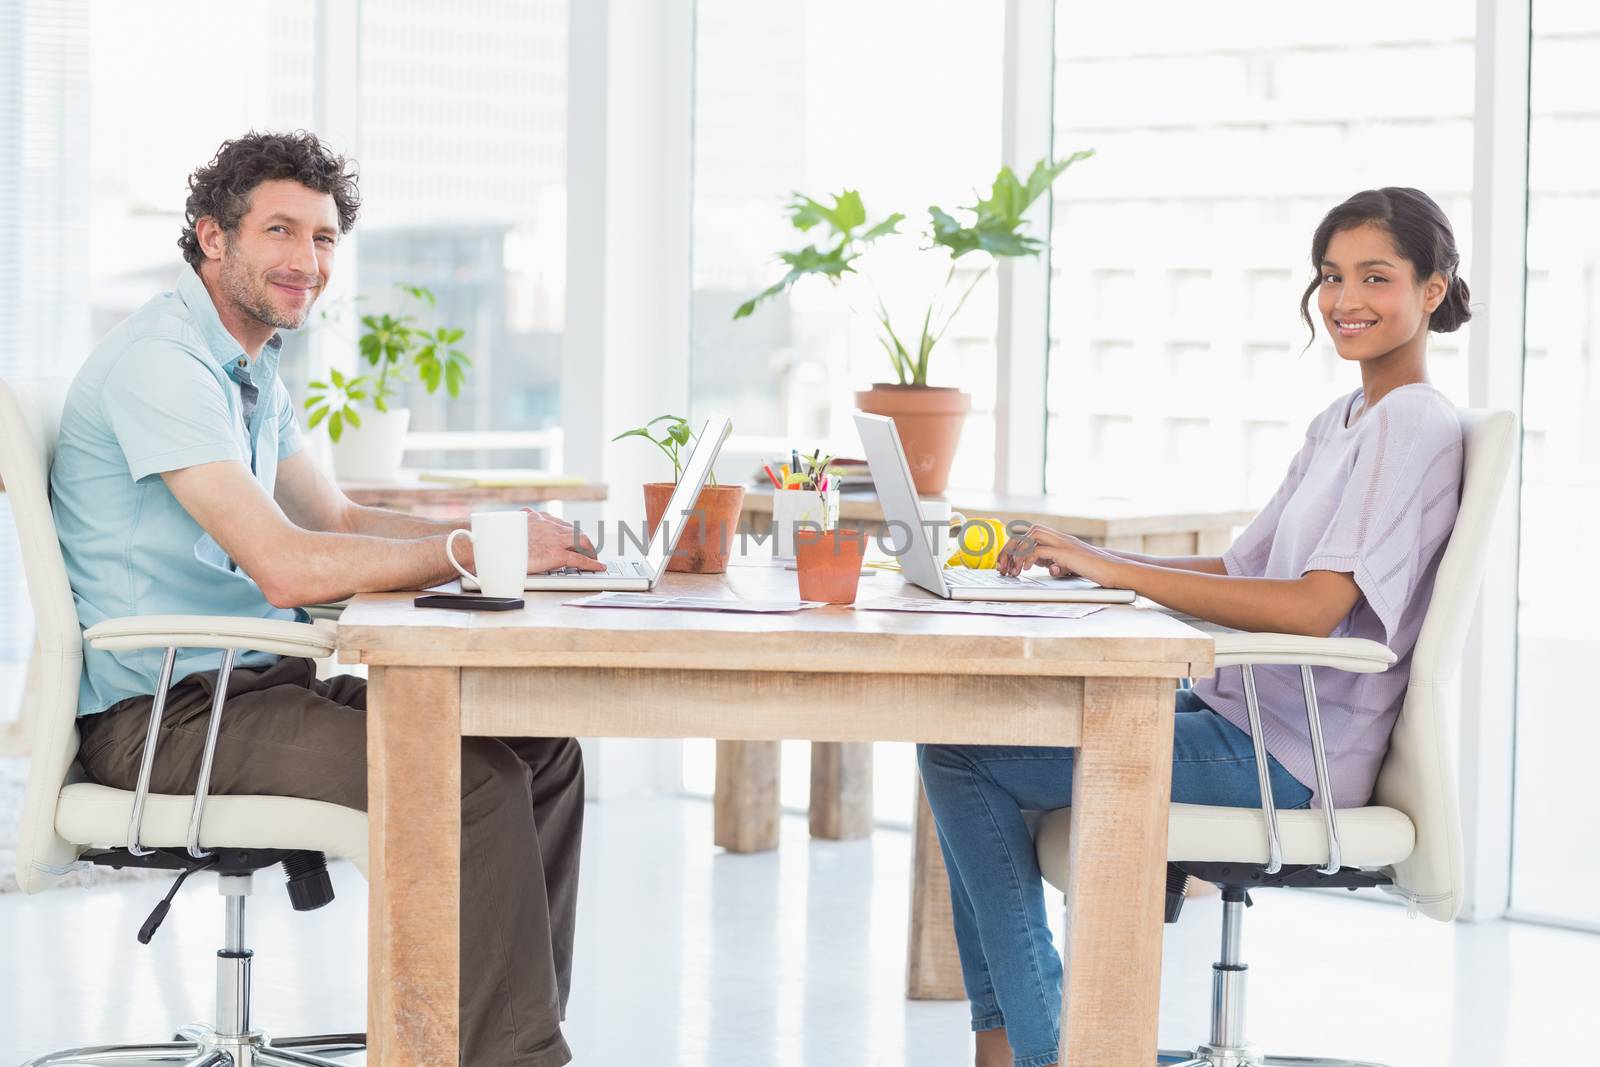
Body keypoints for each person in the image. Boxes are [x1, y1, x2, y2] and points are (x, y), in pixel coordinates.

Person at [51, 130, 603, 1067]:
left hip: (250, 684)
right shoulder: (163, 364)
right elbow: (287, 569)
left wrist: (499, 530)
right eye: (280, 230)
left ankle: (494, 1041)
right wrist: (468, 549)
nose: (305, 260)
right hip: (165, 717)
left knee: (540, 749)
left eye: (323, 238)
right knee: (466, 785)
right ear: (211, 238)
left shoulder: (251, 366)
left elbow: (336, 514)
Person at [919, 186, 1469, 1067]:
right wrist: (1089, 557)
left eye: (1376, 277)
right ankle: (1025, 1044)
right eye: (1330, 276)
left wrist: (1117, 570)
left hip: (1289, 756)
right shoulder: (1344, 421)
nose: (1344, 300)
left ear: (1433, 289)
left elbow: (1317, 607)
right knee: (963, 733)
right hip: (1240, 720)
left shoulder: (1413, 421)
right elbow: (1249, 573)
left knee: (958, 751)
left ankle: (1035, 1049)